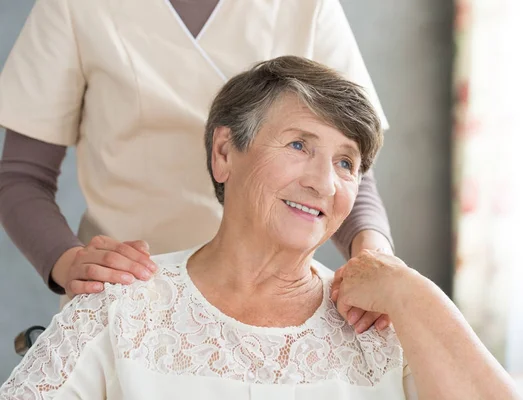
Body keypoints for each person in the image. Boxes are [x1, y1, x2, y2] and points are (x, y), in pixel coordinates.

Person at [0, 56, 519, 400]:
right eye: (299, 145)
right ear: (224, 153)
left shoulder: (383, 323)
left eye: (346, 163)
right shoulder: (120, 306)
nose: (323, 182)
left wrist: (411, 293)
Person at [0, 0, 393, 327]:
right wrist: (69, 263)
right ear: (221, 152)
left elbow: (346, 163)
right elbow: (22, 176)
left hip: (275, 303)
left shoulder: (308, 6)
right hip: (126, 299)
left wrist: (376, 262)